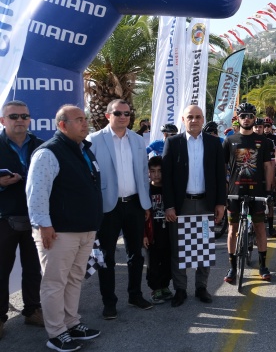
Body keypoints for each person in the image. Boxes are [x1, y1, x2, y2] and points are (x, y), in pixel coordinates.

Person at [27, 105, 103, 351]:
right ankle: (56, 333)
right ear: (62, 125)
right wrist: (44, 225)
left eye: (84, 118)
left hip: (84, 229)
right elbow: (37, 193)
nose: (85, 123)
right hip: (59, 232)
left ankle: (71, 323)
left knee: (74, 279)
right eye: (79, 119)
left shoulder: (84, 150)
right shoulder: (48, 153)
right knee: (54, 283)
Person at [86, 99, 152, 319]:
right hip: (108, 207)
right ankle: (109, 302)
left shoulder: (138, 140)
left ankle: (135, 295)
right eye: (118, 113)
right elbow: (89, 175)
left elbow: (143, 173)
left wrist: (145, 203)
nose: (123, 117)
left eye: (127, 113)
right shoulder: (94, 140)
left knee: (136, 255)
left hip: (134, 204)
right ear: (108, 115)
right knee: (107, 256)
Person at [162, 105, 226, 307]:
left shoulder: (214, 143)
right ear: (183, 119)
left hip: (206, 205)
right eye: (190, 117)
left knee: (204, 248)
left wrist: (221, 203)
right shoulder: (173, 143)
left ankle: (201, 287)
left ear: (203, 119)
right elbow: (167, 178)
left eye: (198, 117)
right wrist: (169, 206)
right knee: (178, 248)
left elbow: (220, 175)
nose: (194, 120)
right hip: (182, 206)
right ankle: (180, 289)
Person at [0, 101, 44, 339]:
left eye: (24, 116)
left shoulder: (40, 145)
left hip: (35, 217)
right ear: (2, 120)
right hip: (3, 219)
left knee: (34, 268)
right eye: (14, 116)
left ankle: (32, 310)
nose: (20, 120)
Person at [223, 103, 275, 282]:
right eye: (243, 116)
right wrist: (223, 190)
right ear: (237, 118)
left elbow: (268, 167)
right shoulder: (229, 141)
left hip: (257, 192)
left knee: (260, 228)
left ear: (254, 118)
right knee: (232, 229)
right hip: (234, 192)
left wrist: (269, 191)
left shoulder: (264, 142)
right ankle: (232, 268)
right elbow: (223, 167)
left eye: (250, 116)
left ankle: (263, 266)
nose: (246, 119)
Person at [142, 156, 173, 303]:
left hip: (167, 231)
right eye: (153, 171)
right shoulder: (145, 190)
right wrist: (143, 235)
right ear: (148, 172)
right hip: (152, 232)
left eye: (159, 171)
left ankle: (165, 285)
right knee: (153, 262)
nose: (156, 174)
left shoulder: (169, 189)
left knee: (167, 260)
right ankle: (155, 288)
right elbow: (140, 215)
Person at [262, 117, 276, 237]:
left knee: (270, 200)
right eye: (264, 126)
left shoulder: (274, 138)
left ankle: (271, 227)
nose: (266, 128)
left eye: (268, 126)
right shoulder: (257, 138)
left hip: (270, 167)